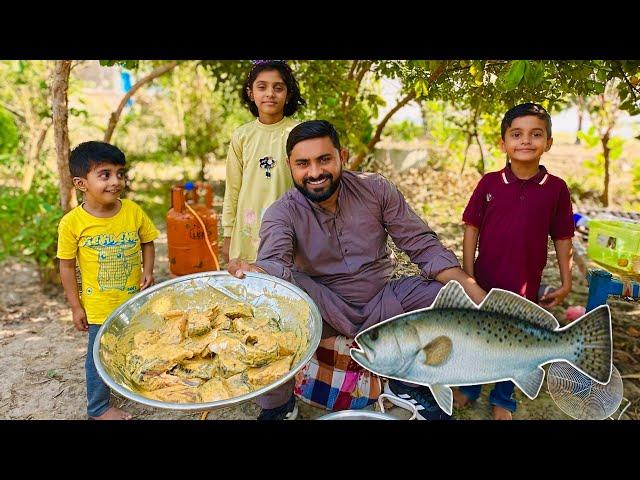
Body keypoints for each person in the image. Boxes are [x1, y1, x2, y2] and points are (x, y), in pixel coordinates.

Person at [228, 120, 487, 420]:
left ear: (343, 156)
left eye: (324, 159)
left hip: (382, 298)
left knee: (447, 299)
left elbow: (421, 245)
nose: (314, 173)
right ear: (289, 166)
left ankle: (408, 385)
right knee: (269, 313)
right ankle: (279, 404)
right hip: (322, 307)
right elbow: (275, 263)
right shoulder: (282, 212)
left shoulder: (375, 189)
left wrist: (474, 292)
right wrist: (256, 272)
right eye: (303, 163)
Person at [453, 103, 575, 420]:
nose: (525, 141)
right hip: (485, 281)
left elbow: (563, 237)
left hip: (524, 286)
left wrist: (566, 281)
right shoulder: (490, 183)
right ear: (503, 142)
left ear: (548, 142)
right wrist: (468, 276)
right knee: (479, 337)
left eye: (536, 134)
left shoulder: (557, 189)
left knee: (514, 342)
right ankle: (470, 387)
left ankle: (503, 396)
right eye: (517, 134)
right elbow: (471, 229)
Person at [57, 141, 159, 420]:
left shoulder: (133, 211)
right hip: (99, 307)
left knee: (137, 342)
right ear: (81, 183)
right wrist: (75, 306)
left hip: (133, 301)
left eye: (119, 173)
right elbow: (66, 267)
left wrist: (147, 270)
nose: (116, 181)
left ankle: (135, 384)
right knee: (98, 357)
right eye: (105, 175)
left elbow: (147, 241)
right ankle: (99, 407)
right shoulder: (72, 223)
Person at [221, 60, 306, 264]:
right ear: (251, 93)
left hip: (290, 228)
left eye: (278, 88)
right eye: (262, 87)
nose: (270, 93)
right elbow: (233, 188)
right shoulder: (242, 136)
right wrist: (227, 234)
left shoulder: (299, 133)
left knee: (286, 286)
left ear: (289, 94)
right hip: (248, 232)